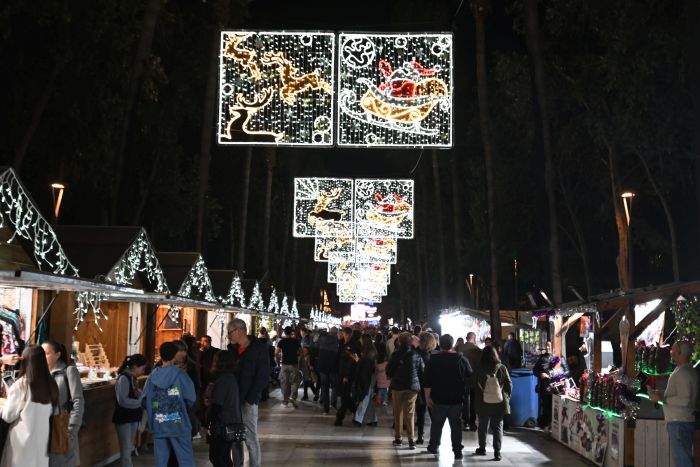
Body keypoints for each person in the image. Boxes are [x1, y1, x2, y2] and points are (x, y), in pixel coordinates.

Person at [142, 341, 196, 467]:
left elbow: (144, 400)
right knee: (186, 460)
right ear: (174, 355)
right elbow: (191, 398)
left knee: (161, 461)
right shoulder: (181, 375)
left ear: (161, 355)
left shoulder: (152, 377)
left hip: (159, 423)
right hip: (178, 423)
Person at [2, 345, 58, 466]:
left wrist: (10, 395)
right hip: (41, 446)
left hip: (21, 446)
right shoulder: (51, 384)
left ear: (25, 362)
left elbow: (7, 416)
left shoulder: (20, 385)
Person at [227, 318, 269, 467]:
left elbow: (263, 376)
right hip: (233, 400)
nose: (229, 335)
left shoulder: (259, 349)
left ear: (239, 330)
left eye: (230, 332)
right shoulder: (232, 349)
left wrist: (251, 399)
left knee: (251, 438)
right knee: (235, 436)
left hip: (248, 400)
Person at [649, 341, 698, 467]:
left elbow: (685, 400)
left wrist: (662, 398)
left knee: (683, 462)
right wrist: (661, 395)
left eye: (673, 350)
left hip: (679, 423)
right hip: (681, 422)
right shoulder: (685, 370)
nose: (671, 353)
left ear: (680, 353)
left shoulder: (683, 373)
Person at [424, 334, 472, 460]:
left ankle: (434, 446)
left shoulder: (433, 360)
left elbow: (427, 381)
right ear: (452, 344)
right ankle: (457, 451)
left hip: (438, 398)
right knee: (456, 426)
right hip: (456, 399)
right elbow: (469, 375)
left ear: (440, 344)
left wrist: (427, 397)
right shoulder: (461, 359)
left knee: (436, 424)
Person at [41, 340, 85, 467]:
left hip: (62, 425)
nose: (43, 357)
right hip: (44, 427)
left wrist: (72, 428)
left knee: (62, 462)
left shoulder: (69, 371)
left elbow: (78, 400)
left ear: (57, 354)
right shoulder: (41, 373)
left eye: (46, 353)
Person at [386, 331, 425, 449]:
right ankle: (411, 440)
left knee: (398, 412)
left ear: (399, 341)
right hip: (412, 387)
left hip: (397, 386)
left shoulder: (395, 354)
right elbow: (422, 370)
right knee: (410, 413)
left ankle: (398, 438)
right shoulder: (416, 354)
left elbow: (389, 370)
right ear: (410, 341)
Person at [474, 345, 512, 461]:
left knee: (482, 426)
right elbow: (509, 384)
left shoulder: (479, 368)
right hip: (499, 403)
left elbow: (473, 383)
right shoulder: (502, 368)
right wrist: (505, 397)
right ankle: (497, 452)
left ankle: (482, 448)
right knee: (498, 427)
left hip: (483, 402)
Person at [207, 350, 243, 467]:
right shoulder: (231, 377)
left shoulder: (223, 379)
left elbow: (217, 404)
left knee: (216, 456)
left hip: (222, 424)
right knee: (224, 456)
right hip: (231, 422)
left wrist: (210, 422)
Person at [113, 353, 147, 467]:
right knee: (126, 449)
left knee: (129, 447)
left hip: (132, 416)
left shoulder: (132, 378)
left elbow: (135, 394)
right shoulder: (124, 378)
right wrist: (140, 402)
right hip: (124, 417)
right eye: (142, 369)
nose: (143, 372)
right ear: (135, 366)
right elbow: (123, 401)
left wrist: (141, 396)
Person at [334, 327, 360, 426]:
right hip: (340, 373)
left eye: (349, 335)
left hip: (348, 374)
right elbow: (338, 358)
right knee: (343, 395)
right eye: (345, 334)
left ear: (351, 335)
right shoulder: (341, 343)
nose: (346, 336)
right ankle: (355, 410)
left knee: (344, 396)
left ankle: (339, 418)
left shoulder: (353, 345)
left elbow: (351, 363)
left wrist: (347, 376)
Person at [457, 332, 481, 431]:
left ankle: (465, 421)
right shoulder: (478, 350)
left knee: (464, 401)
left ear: (466, 338)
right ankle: (472, 422)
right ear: (474, 339)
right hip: (474, 379)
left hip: (462, 379)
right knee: (474, 401)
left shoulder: (459, 348)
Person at [415, 331, 436, 444]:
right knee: (433, 413)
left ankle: (420, 436)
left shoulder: (416, 354)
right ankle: (435, 437)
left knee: (420, 412)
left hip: (419, 385)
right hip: (432, 387)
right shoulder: (434, 355)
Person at [352, 334, 378, 427]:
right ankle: (373, 419)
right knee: (369, 398)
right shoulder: (370, 350)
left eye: (361, 339)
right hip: (370, 376)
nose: (360, 340)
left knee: (365, 396)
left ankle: (358, 419)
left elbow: (367, 366)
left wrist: (358, 361)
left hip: (369, 376)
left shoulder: (370, 352)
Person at [276, 326, 301, 408]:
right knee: (295, 382)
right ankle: (293, 397)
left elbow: (276, 353)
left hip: (284, 365)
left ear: (284, 332)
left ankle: (285, 401)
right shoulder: (296, 341)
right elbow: (300, 352)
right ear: (291, 332)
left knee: (284, 383)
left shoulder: (282, 341)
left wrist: (278, 361)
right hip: (294, 364)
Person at [316, 327, 339, 414]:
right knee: (334, 386)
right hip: (333, 367)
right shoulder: (336, 341)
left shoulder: (322, 339)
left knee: (325, 387)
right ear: (336, 333)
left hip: (322, 367)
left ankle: (326, 409)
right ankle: (333, 404)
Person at [533, 341, 554, 430]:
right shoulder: (542, 358)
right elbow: (534, 370)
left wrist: (559, 374)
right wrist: (541, 373)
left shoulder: (559, 357)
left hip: (557, 387)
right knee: (546, 406)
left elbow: (567, 371)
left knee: (554, 407)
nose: (547, 348)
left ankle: (552, 425)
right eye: (546, 346)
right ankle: (545, 425)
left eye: (549, 346)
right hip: (545, 387)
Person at [374, 337, 390, 407]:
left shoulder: (377, 365)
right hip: (386, 380)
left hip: (379, 380)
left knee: (380, 390)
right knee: (385, 391)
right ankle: (384, 401)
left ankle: (378, 400)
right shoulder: (386, 364)